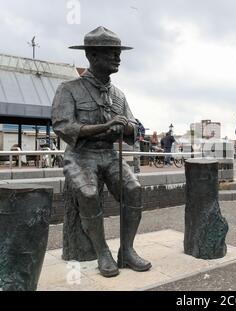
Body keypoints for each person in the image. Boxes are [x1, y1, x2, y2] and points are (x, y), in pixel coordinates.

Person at [52, 26, 151, 277]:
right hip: (80, 155)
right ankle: (102, 252)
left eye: (118, 53)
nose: (118, 58)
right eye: (111, 53)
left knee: (134, 189)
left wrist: (125, 127)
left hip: (109, 154)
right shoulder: (69, 89)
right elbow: (63, 126)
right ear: (93, 56)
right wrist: (102, 127)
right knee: (87, 193)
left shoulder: (119, 94)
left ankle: (126, 250)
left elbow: (133, 130)